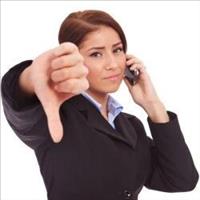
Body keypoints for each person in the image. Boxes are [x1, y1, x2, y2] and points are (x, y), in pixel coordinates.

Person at [1, 10, 199, 200]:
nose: (113, 64)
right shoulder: (53, 116)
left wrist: (153, 105)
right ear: (72, 60)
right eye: (96, 54)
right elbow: (18, 101)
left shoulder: (131, 126)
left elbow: (182, 180)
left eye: (118, 50)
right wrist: (29, 79)